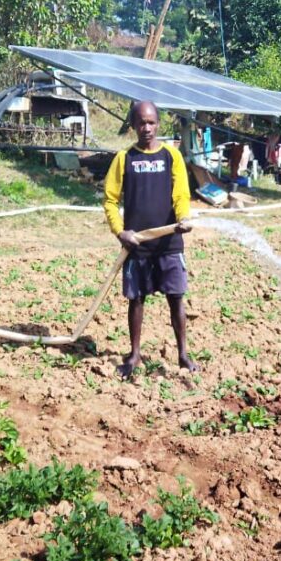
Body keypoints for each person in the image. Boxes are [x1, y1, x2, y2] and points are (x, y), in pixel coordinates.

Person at [103, 101, 198, 379]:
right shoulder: (124, 158)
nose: (146, 128)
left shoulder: (171, 156)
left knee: (176, 299)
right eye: (141, 123)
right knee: (137, 300)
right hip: (137, 244)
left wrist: (182, 218)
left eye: (151, 122)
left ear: (158, 124)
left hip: (168, 243)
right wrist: (121, 232)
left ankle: (182, 354)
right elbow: (110, 200)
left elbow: (181, 193)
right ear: (133, 125)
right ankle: (134, 355)